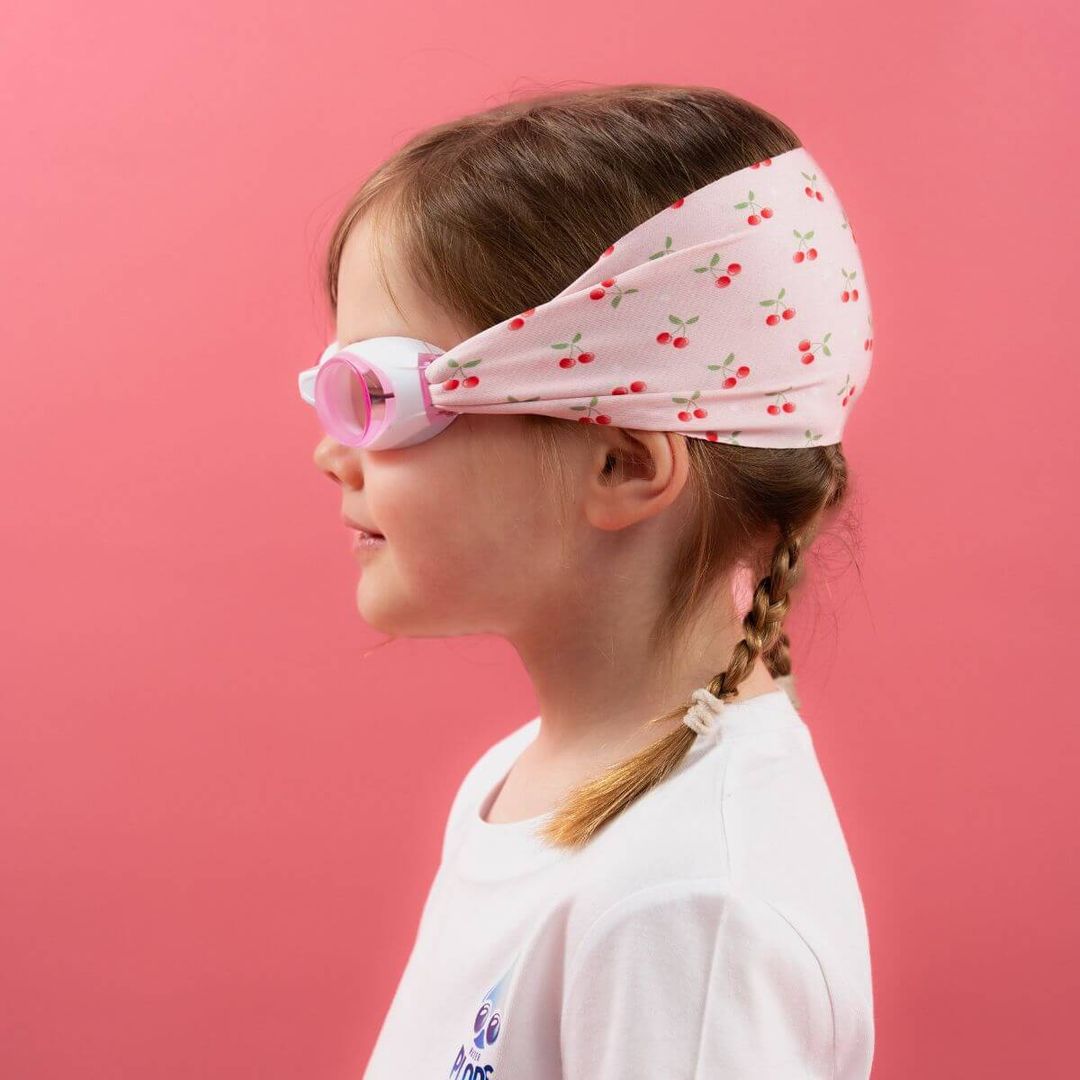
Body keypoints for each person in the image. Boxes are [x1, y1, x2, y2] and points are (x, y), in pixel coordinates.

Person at [307, 83, 875, 1078]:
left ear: (619, 461)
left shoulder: (688, 906)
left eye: (380, 398)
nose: (331, 451)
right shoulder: (528, 784)